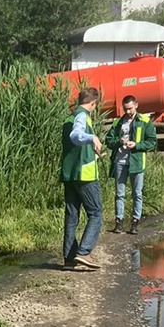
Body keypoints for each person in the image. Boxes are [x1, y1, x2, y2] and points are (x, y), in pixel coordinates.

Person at [60, 85, 103, 270]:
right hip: (84, 175)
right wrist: (91, 138)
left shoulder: (69, 117)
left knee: (72, 216)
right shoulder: (81, 116)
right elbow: (75, 136)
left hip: (70, 174)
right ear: (93, 103)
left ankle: (69, 258)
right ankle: (84, 253)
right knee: (96, 213)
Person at [106, 92, 157, 235]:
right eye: (125, 109)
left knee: (137, 193)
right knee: (119, 193)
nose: (128, 112)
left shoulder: (145, 121)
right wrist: (118, 142)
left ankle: (135, 222)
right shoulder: (118, 122)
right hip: (120, 161)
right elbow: (108, 141)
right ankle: (119, 222)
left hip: (137, 162)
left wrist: (137, 145)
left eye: (130, 108)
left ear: (136, 105)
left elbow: (152, 141)